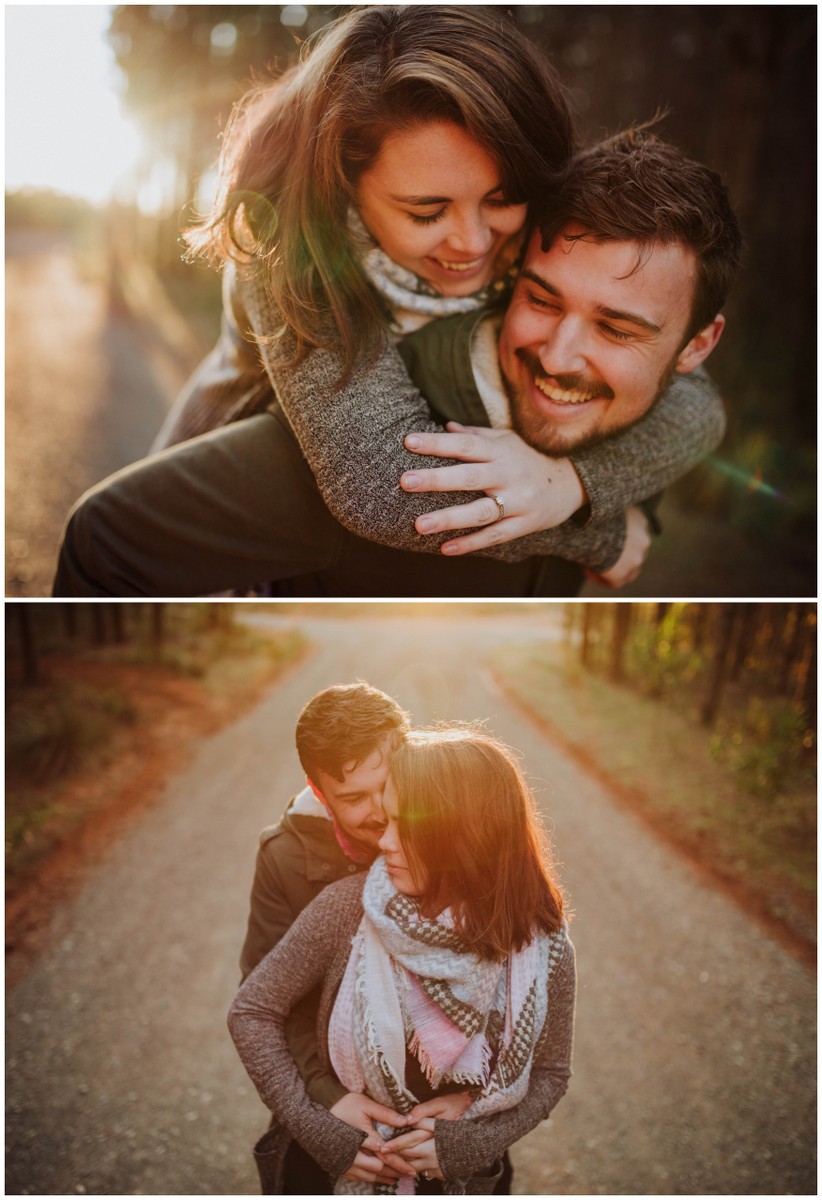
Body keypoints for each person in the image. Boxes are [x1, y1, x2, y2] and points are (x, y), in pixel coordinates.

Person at [53, 122, 738, 598]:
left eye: (618, 329)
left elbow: (703, 412)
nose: (561, 356)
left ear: (693, 348)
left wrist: (579, 486)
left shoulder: (649, 412)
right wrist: (600, 532)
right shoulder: (374, 418)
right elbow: (107, 537)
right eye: (542, 299)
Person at [229, 726, 576, 1194]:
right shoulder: (348, 910)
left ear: (462, 835)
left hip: (460, 1179)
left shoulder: (541, 947)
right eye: (384, 821)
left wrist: (471, 1141)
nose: (384, 842)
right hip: (333, 1174)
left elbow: (550, 1073)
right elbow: (252, 1011)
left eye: (404, 826)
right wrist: (324, 1132)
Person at [240, 682, 411, 1193]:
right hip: (334, 1086)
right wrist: (326, 1098)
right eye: (354, 798)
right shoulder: (284, 859)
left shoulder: (455, 822)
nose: (379, 812)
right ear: (318, 791)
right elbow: (269, 1003)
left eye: (387, 786)